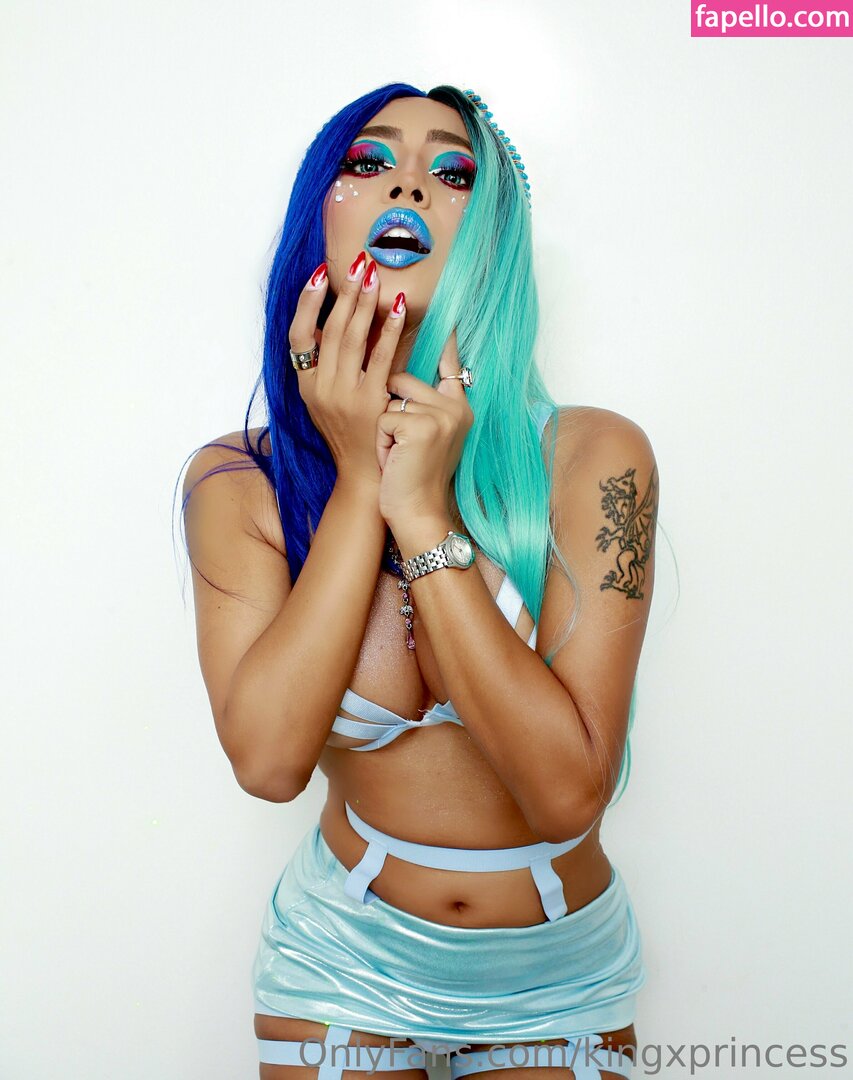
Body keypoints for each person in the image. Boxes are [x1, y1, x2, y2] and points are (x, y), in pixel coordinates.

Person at [180, 81, 659, 1080]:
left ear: (490, 239)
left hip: (556, 974)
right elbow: (267, 763)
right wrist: (362, 477)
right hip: (339, 960)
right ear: (319, 215)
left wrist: (424, 511)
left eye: (453, 172)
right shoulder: (237, 483)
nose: (407, 184)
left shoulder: (595, 461)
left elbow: (567, 792)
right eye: (368, 163)